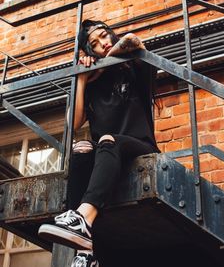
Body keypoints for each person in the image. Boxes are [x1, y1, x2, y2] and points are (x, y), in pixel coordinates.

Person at [38, 20, 159, 263]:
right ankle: (86, 251)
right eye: (94, 44)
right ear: (89, 51)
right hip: (106, 153)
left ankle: (83, 217)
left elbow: (133, 40)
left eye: (104, 36)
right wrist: (82, 79)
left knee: (107, 139)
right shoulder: (93, 82)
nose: (102, 44)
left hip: (139, 146)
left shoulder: (131, 65)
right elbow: (74, 124)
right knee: (81, 148)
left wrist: (108, 59)